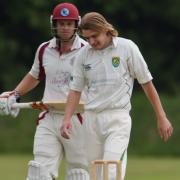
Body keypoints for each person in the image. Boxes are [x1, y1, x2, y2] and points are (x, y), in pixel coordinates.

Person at [60, 12, 174, 180]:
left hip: (117, 118)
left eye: (94, 36)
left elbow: (146, 82)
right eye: (87, 38)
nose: (91, 42)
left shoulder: (127, 48)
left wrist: (161, 116)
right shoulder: (83, 55)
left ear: (105, 29)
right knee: (96, 174)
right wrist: (67, 119)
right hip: (91, 119)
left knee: (111, 170)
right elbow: (75, 90)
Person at [0, 3, 90, 180]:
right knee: (39, 171)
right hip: (48, 116)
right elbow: (35, 75)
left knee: (78, 173)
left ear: (76, 25)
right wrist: (15, 94)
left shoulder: (87, 50)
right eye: (61, 23)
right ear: (54, 24)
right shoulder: (44, 49)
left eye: (69, 23)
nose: (65, 28)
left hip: (77, 118)